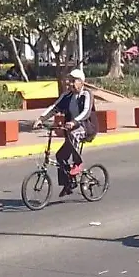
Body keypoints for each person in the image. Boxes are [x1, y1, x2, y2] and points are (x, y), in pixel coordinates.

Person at [36, 69, 94, 197]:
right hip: (71, 129)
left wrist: (74, 122)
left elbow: (86, 112)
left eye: (74, 81)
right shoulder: (67, 96)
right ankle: (68, 183)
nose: (70, 84)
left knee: (74, 134)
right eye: (70, 81)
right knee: (60, 156)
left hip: (86, 127)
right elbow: (54, 107)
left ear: (81, 82)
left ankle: (78, 163)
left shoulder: (87, 94)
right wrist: (41, 119)